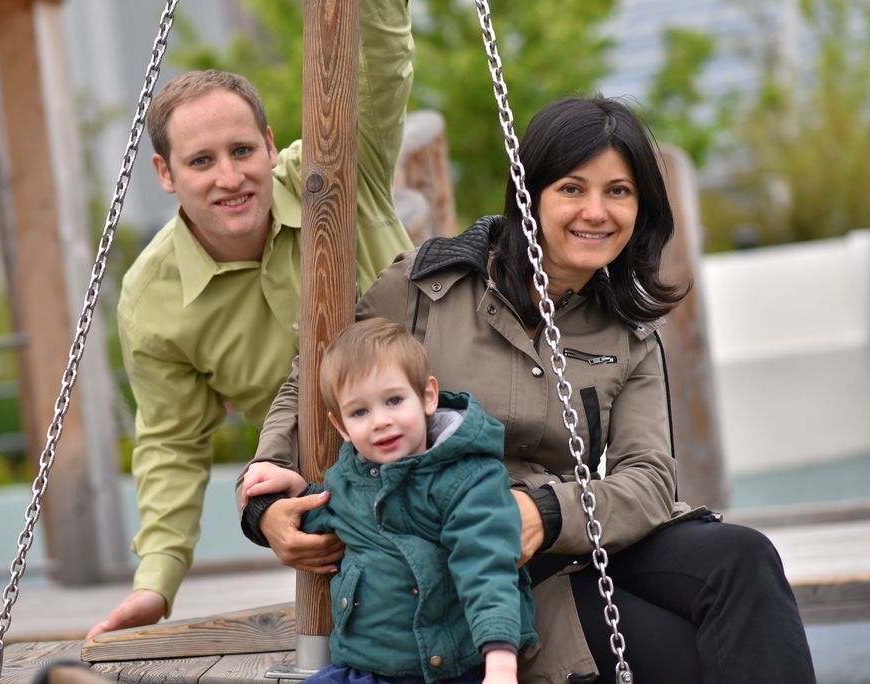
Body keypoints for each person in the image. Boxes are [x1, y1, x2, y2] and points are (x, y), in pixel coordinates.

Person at [237, 96, 817, 683]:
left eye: (618, 191)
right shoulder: (424, 290)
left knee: (743, 557)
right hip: (472, 570)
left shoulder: (629, 333)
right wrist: (263, 495)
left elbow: (648, 479)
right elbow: (314, 379)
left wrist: (546, 513)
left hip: (572, 534)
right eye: (572, 188)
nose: (596, 212)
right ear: (530, 194)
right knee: (695, 653)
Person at [86, 0, 414, 639]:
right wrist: (156, 581)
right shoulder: (151, 299)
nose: (230, 177)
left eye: (242, 150)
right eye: (201, 161)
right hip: (339, 508)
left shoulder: (342, 164)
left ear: (269, 144)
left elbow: (382, 59)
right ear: (165, 174)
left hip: (452, 445)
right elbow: (172, 443)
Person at [244, 318, 539, 684]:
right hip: (363, 667)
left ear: (428, 397)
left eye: (394, 401)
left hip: (446, 668)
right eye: (360, 412)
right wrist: (297, 489)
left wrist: (500, 666)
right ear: (342, 427)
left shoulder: (468, 478)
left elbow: (487, 568)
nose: (380, 421)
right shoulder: (349, 479)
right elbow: (324, 514)